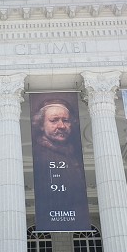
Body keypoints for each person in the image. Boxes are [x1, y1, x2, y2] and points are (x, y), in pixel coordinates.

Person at [31, 97, 89, 227]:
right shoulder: (39, 154)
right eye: (54, 120)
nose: (62, 126)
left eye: (66, 120)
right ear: (40, 125)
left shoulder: (74, 154)